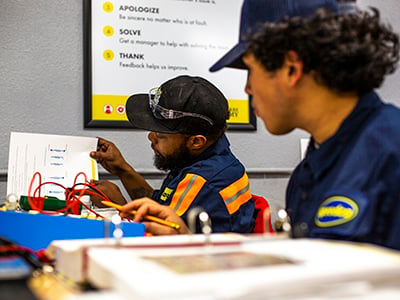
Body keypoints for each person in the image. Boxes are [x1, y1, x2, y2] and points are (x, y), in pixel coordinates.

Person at [125, 0, 400, 251]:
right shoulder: (309, 171)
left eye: (250, 71)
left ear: (291, 68)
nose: (247, 89)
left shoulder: (392, 153)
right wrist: (186, 238)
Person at [90, 75, 255, 234]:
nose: (151, 137)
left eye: (161, 135)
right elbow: (160, 205)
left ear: (196, 141)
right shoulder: (203, 157)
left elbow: (158, 239)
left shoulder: (202, 181)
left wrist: (115, 205)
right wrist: (122, 169)